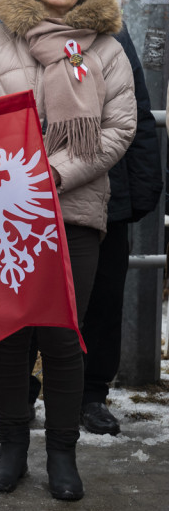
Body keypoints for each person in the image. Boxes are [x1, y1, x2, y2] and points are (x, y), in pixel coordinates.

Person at [0, 0, 136, 501]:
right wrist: (13, 181)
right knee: (9, 336)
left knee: (61, 336)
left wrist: (54, 174)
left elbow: (120, 128)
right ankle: (11, 447)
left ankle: (62, 453)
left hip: (75, 211)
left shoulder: (106, 48)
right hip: (3, 213)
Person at [78, 25, 162, 435]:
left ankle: (92, 393)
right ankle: (20, 391)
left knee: (104, 296)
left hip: (110, 189)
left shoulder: (114, 34)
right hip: (36, 189)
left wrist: (145, 185)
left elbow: (138, 111)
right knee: (33, 295)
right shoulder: (14, 29)